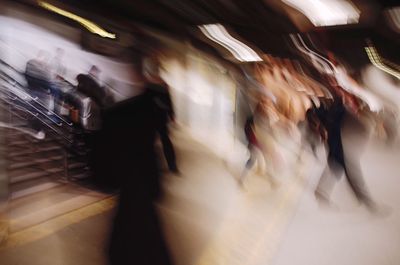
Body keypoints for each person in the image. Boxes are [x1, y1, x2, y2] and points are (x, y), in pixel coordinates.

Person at [314, 85, 379, 212]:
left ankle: (320, 191)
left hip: (338, 137)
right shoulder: (336, 103)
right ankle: (367, 202)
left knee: (336, 166)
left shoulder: (337, 102)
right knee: (350, 170)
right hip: (337, 139)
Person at [143, 58, 179, 174]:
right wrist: (172, 115)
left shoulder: (147, 83)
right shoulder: (162, 84)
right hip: (159, 117)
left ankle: (166, 166)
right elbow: (169, 102)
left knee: (152, 141)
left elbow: (168, 101)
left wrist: (172, 115)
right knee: (163, 141)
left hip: (152, 117)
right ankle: (171, 166)